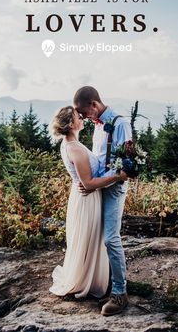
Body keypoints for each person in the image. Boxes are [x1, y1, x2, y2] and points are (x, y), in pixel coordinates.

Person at [49, 106, 128, 300]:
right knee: (90, 238)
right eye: (78, 116)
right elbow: (89, 183)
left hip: (84, 197)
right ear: (71, 124)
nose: (82, 117)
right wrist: (119, 176)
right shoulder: (74, 148)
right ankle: (88, 281)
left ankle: (90, 276)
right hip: (87, 199)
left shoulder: (70, 144)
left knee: (88, 238)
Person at [74, 86, 132, 316]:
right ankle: (101, 281)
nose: (82, 117)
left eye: (83, 112)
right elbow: (99, 160)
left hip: (114, 189)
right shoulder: (98, 126)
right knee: (95, 236)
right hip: (97, 188)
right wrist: (88, 182)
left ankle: (120, 293)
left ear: (94, 105)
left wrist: (95, 183)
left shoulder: (120, 124)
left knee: (110, 238)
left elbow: (126, 168)